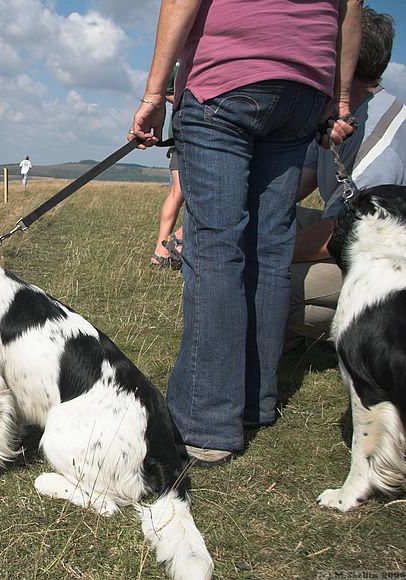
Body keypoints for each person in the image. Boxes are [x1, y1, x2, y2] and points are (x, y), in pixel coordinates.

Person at [129, 0, 362, 466]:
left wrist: (155, 95)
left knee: (216, 247)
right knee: (270, 248)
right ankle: (255, 401)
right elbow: (349, 8)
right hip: (304, 87)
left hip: (227, 76)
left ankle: (206, 424)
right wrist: (337, 99)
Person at [288, 7, 406, 348]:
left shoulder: (381, 141)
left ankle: (297, 328)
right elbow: (299, 184)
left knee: (274, 282)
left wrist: (261, 252)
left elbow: (347, 232)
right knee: (262, 219)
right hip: (354, 241)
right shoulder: (342, 116)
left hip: (384, 263)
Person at [152, 62, 184, 269]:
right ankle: (163, 249)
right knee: (178, 191)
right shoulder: (177, 64)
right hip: (184, 134)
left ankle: (171, 246)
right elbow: (163, 90)